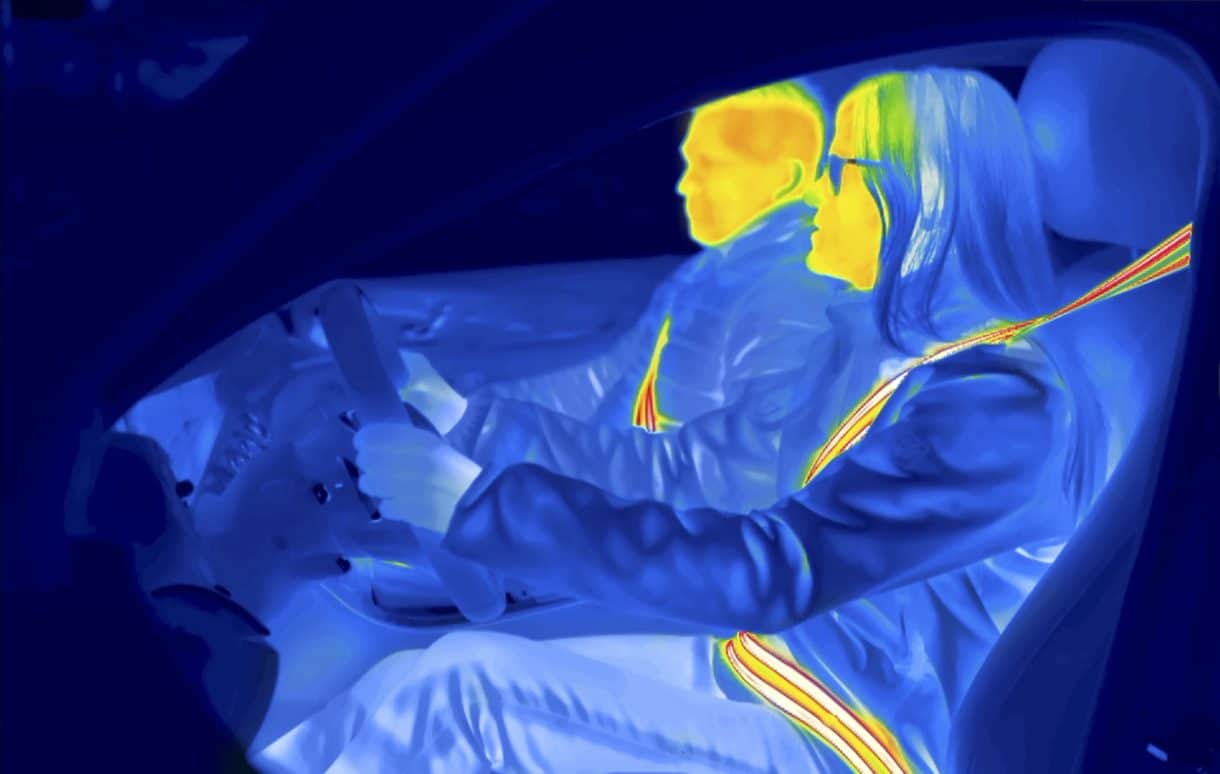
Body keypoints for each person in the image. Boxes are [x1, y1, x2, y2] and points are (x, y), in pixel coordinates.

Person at [255, 68, 1107, 773]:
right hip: (784, 668)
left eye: (840, 170)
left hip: (854, 737)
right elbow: (710, 475)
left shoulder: (998, 409)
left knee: (461, 698)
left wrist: (481, 504)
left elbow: (774, 571)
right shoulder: (900, 354)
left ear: (923, 200)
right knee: (418, 675)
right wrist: (470, 428)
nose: (815, 197)